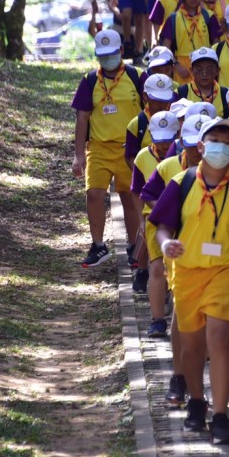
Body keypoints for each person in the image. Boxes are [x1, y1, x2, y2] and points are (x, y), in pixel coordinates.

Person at [151, 118, 229, 444]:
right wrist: (165, 243)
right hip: (187, 273)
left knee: (219, 340)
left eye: (227, 143)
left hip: (227, 271)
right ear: (200, 146)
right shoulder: (181, 182)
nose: (220, 146)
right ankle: (196, 401)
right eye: (213, 140)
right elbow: (162, 225)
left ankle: (220, 415)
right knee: (192, 348)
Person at [140, 113, 210, 407]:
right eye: (190, 146)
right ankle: (180, 378)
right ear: (183, 143)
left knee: (212, 325)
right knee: (183, 315)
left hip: (219, 259)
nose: (195, 152)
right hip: (181, 254)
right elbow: (149, 199)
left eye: (201, 146)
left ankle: (203, 386)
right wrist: (169, 231)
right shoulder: (172, 170)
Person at [70, 29, 146, 267]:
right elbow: (82, 118)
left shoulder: (137, 76)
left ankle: (135, 246)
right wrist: (78, 155)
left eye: (111, 54)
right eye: (102, 55)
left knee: (129, 197)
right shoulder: (90, 80)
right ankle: (98, 246)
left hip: (129, 149)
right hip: (99, 148)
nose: (107, 59)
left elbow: (150, 111)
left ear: (121, 51)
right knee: (94, 194)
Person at [130, 111, 179, 296]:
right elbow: (136, 192)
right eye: (159, 140)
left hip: (180, 216)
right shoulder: (142, 157)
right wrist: (140, 221)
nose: (164, 144)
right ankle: (160, 301)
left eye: (169, 139)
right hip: (152, 217)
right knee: (157, 263)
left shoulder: (185, 155)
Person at [159, 0, 222, 83]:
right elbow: (166, 46)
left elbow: (216, 44)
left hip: (205, 66)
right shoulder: (173, 18)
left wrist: (212, 67)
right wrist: (176, 65)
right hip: (182, 69)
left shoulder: (209, 16)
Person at [124, 73, 176, 170]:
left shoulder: (177, 118)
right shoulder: (137, 124)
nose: (161, 105)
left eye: (165, 100)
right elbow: (130, 156)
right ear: (145, 96)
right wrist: (140, 177)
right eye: (156, 100)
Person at [176, 47, 229, 117]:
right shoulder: (181, 93)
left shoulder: (226, 95)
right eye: (199, 69)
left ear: (217, 70)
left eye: (209, 69)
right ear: (191, 70)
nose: (204, 74)